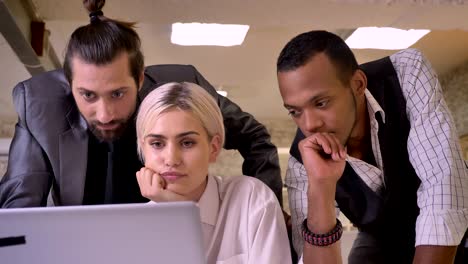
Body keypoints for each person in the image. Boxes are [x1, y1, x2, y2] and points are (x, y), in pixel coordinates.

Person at [0, 0, 282, 207]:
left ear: (139, 78)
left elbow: (255, 137)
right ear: (68, 83)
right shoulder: (39, 104)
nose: (105, 113)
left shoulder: (183, 88)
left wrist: (268, 212)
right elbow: (19, 207)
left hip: (166, 233)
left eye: (118, 93)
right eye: (88, 95)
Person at [276, 30, 468, 264]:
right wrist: (321, 187)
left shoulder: (405, 72)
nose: (310, 125)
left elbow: (441, 187)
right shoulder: (301, 161)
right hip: (382, 235)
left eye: (321, 102)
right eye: (295, 111)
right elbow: (309, 257)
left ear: (358, 84)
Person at [134, 82, 291, 263]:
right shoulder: (135, 228)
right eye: (157, 144)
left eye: (187, 143)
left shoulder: (251, 199)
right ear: (143, 149)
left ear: (214, 147)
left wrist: (182, 213)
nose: (171, 159)